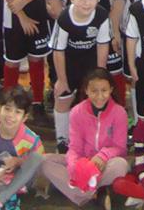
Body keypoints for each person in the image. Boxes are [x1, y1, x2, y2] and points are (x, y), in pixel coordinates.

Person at [41, 68, 130, 207]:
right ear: (86, 90)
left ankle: (74, 191)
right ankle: (94, 195)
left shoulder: (119, 113)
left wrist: (102, 156)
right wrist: (74, 168)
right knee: (44, 161)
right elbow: (74, 148)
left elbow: (120, 148)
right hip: (82, 161)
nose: (99, 96)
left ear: (111, 90)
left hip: (105, 163)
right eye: (94, 91)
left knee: (121, 165)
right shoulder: (77, 112)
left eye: (104, 90)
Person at [50, 0, 111, 153]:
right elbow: (58, 51)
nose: (86, 3)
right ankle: (62, 140)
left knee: (93, 100)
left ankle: (90, 139)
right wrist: (62, 80)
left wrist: (100, 75)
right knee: (63, 98)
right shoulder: (64, 19)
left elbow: (102, 45)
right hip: (67, 65)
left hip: (90, 64)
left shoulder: (101, 15)